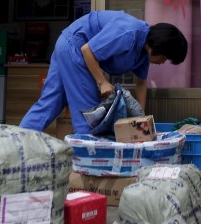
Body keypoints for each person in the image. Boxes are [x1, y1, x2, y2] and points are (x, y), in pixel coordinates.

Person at [19, 11, 188, 135]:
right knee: (91, 115)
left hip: (66, 45)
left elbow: (141, 83)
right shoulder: (128, 32)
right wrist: (102, 82)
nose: (162, 62)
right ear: (158, 46)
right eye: (164, 57)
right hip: (75, 47)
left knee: (50, 102)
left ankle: (17, 142)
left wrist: (140, 118)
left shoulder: (143, 53)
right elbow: (88, 51)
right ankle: (87, 169)